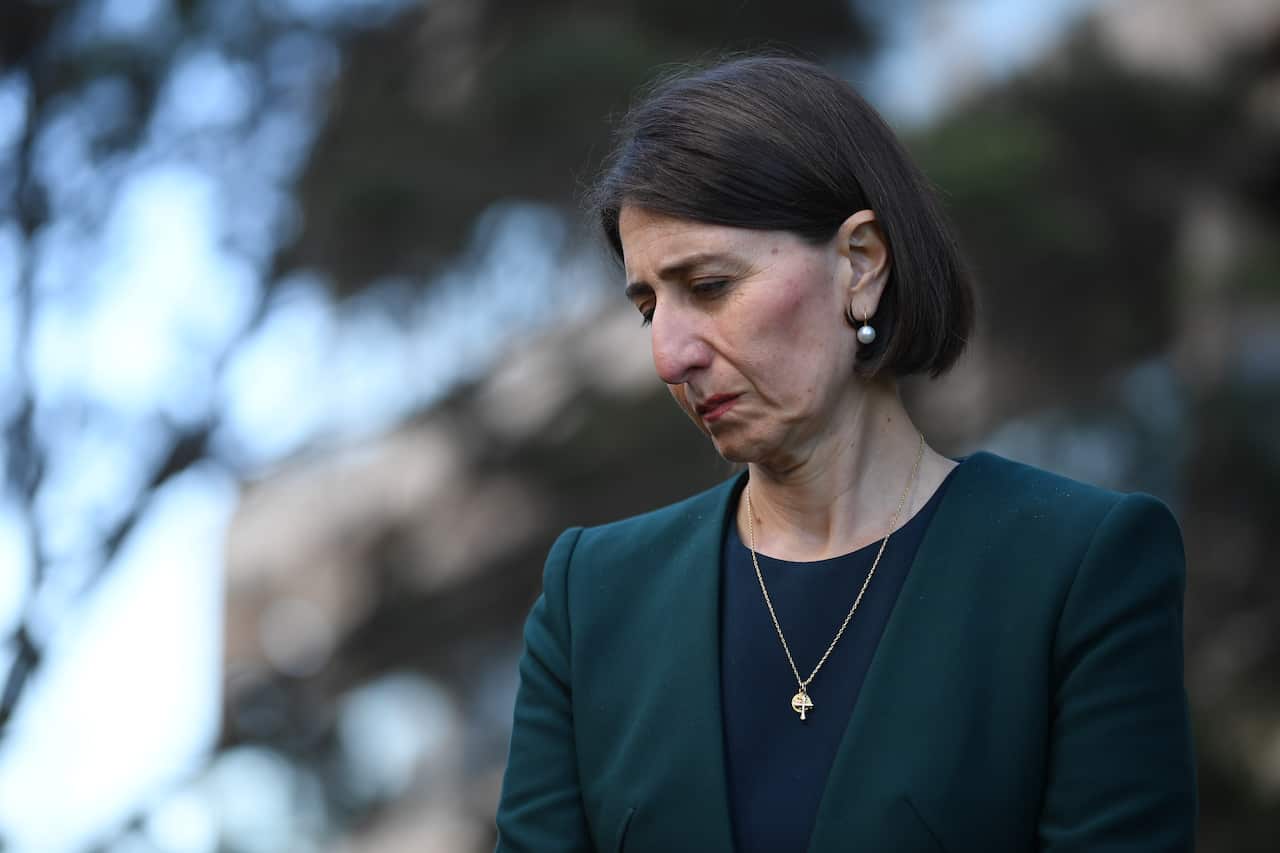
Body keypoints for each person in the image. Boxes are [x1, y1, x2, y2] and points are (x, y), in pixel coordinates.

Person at [494, 55, 1196, 852]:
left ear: (860, 264)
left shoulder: (1076, 568)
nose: (669, 355)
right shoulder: (593, 599)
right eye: (648, 306)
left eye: (711, 286)